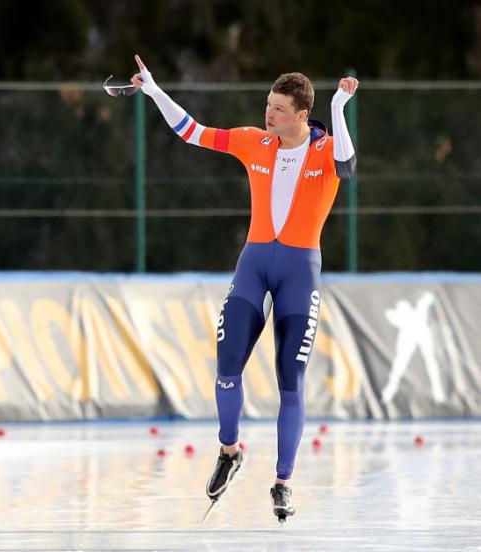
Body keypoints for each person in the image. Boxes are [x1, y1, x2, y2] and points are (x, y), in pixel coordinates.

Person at [131, 55, 358, 520]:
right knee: (227, 361)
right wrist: (153, 90)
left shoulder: (325, 151)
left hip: (300, 271)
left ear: (300, 114)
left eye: (277, 109)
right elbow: (191, 131)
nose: (267, 114)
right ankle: (230, 450)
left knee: (289, 380)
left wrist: (338, 106)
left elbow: (348, 167)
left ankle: (282, 483)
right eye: (267, 104)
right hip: (254, 264)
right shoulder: (254, 142)